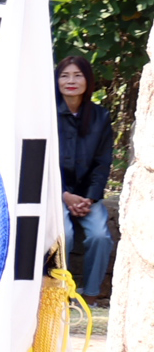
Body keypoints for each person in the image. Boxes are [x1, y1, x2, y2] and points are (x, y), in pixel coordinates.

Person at [59, 55, 115, 302]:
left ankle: (90, 294)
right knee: (65, 235)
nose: (71, 81)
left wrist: (90, 198)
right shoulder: (45, 115)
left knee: (100, 236)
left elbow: (103, 163)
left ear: (88, 80)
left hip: (87, 196)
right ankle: (58, 291)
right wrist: (64, 195)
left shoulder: (101, 117)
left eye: (77, 75)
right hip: (54, 193)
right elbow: (39, 162)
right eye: (64, 75)